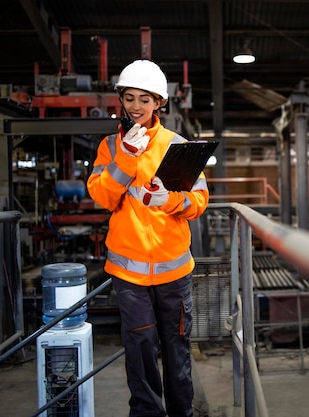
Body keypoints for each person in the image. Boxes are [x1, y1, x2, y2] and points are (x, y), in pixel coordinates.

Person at [87, 59, 209, 417]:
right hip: (129, 276)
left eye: (145, 99)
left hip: (174, 273)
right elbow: (103, 197)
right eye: (129, 98)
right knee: (140, 352)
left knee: (177, 351)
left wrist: (168, 200)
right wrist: (125, 158)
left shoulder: (178, 145)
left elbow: (199, 201)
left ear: (160, 103)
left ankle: (181, 413)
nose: (136, 107)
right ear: (121, 101)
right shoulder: (110, 146)